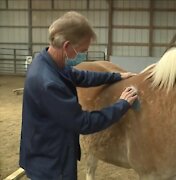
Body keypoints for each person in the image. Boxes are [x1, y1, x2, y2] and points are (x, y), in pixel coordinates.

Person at [19, 11, 138, 180]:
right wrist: (122, 105)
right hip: (50, 163)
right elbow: (83, 122)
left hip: (50, 149)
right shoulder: (48, 83)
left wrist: (115, 76)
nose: (83, 55)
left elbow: (80, 76)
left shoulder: (48, 62)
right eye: (82, 50)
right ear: (67, 46)